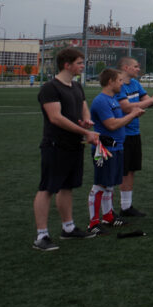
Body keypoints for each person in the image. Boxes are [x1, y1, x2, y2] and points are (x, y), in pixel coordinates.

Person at [33, 48, 101, 251]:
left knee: (67, 187)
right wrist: (85, 132)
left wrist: (87, 120)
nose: (82, 65)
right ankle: (42, 236)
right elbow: (55, 117)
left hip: (74, 144)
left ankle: (68, 228)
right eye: (79, 62)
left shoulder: (77, 86)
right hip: (55, 145)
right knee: (47, 188)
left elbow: (83, 106)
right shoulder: (50, 88)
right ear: (67, 65)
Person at [87, 68, 143, 231]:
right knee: (100, 185)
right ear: (110, 81)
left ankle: (108, 217)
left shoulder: (112, 100)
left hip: (117, 147)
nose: (121, 83)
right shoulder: (101, 101)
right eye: (119, 80)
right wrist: (132, 115)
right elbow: (111, 124)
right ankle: (94, 223)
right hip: (103, 150)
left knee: (110, 184)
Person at [115, 56, 153, 218]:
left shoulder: (136, 84)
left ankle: (126, 207)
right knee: (122, 171)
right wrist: (152, 99)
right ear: (125, 68)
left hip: (134, 133)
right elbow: (126, 107)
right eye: (135, 66)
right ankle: (110, 210)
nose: (138, 69)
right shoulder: (118, 86)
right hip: (121, 134)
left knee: (131, 170)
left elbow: (147, 102)